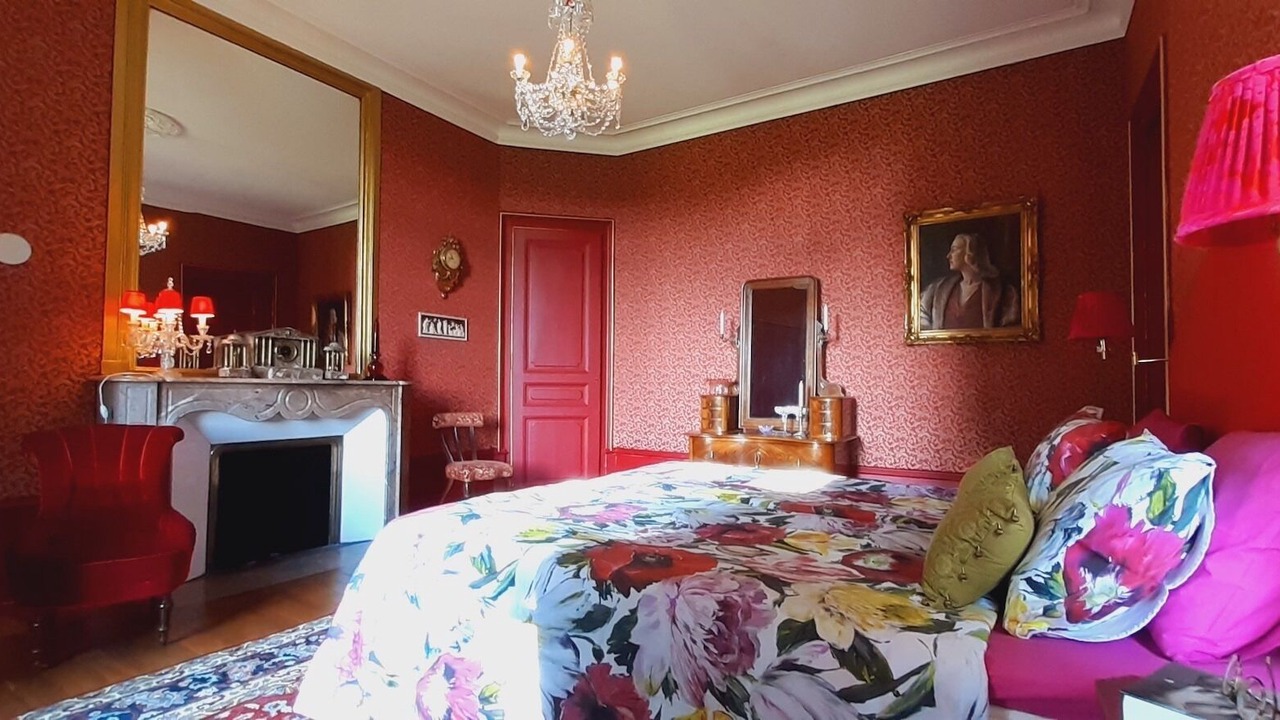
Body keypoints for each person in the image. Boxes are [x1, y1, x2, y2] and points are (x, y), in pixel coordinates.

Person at [918, 232, 1020, 331]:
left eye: (954, 250)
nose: (948, 256)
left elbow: (1010, 327)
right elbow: (919, 312)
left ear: (970, 253)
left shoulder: (1001, 291)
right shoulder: (939, 288)